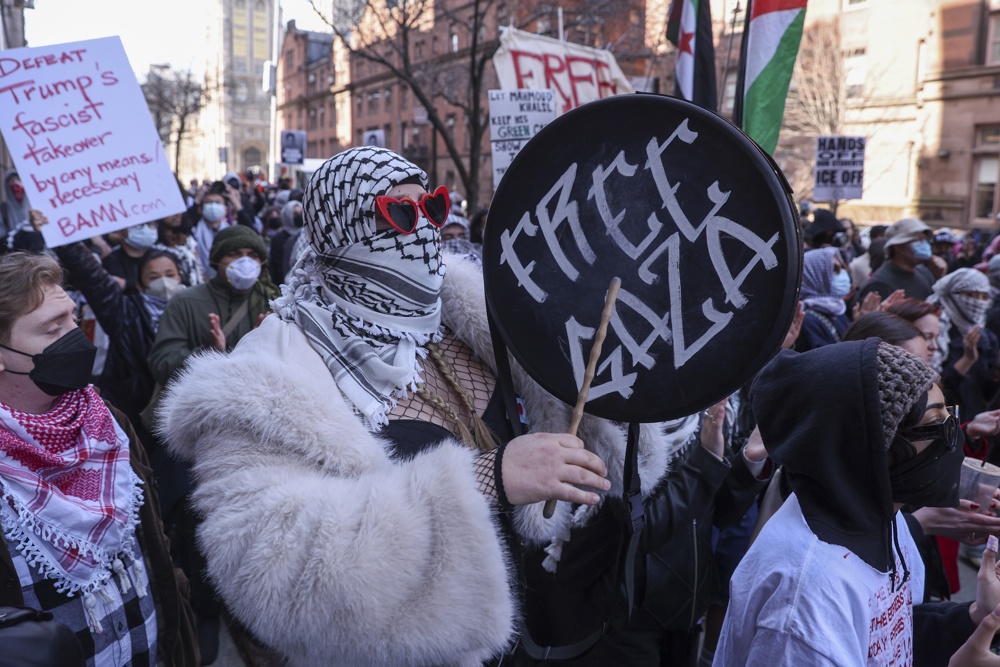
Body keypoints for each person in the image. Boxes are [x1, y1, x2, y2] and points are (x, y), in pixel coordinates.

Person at [156, 147, 680, 665]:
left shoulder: (469, 308)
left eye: (431, 208)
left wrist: (608, 368)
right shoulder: (267, 373)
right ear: (342, 230)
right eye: (400, 215)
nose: (425, 231)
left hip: (542, 623)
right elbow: (273, 567)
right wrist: (486, 479)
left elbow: (593, 424)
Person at [715, 340, 999, 667]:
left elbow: (887, 637)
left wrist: (974, 617)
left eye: (952, 417)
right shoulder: (805, 600)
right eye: (936, 425)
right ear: (871, 447)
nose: (953, 437)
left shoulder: (876, 516)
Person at [0, 251, 197, 665]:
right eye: (54, 329)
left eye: (73, 318)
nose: (78, 338)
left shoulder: (109, 423)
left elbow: (156, 546)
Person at [928, 268, 998, 422]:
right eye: (970, 295)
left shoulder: (985, 336)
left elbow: (986, 393)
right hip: (942, 420)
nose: (978, 302)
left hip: (973, 422)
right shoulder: (936, 330)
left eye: (984, 297)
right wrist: (967, 360)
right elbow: (933, 387)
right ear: (953, 293)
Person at [856, 218, 947, 303]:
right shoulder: (880, 285)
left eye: (925, 240)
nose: (924, 245)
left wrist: (940, 277)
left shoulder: (925, 273)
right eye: (918, 240)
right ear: (898, 246)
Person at [794, 247, 852, 352]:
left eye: (843, 268)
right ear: (814, 275)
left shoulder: (835, 309)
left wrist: (861, 323)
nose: (843, 274)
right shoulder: (805, 321)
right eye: (835, 269)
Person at [102, 221, 160, 293]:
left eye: (150, 224)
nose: (146, 229)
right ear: (120, 231)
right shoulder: (109, 263)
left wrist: (127, 285)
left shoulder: (165, 257)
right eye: (137, 225)